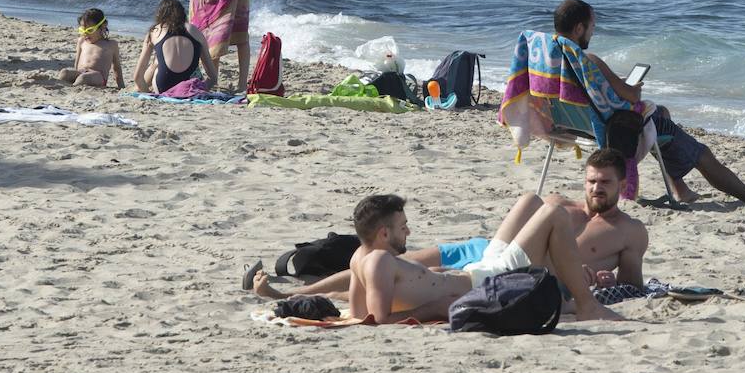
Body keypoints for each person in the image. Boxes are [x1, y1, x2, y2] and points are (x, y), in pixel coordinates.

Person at [252, 149, 649, 301]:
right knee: (384, 262)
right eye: (591, 180)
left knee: (400, 276)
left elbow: (633, 285)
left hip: (526, 269)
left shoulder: (629, 231)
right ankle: (303, 289)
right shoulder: (559, 203)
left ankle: (293, 296)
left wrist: (606, 283)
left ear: (622, 185)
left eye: (605, 183)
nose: (596, 189)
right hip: (488, 250)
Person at [554, 0, 745, 206]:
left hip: (579, 122)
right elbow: (631, 97)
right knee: (702, 153)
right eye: (592, 26)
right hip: (618, 129)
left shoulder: (554, 58)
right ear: (578, 28)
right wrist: (632, 87)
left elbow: (595, 92)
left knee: (664, 113)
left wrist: (614, 82)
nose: (593, 31)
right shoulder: (589, 60)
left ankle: (680, 189)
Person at [341, 193, 621, 324]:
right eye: (402, 228)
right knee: (554, 212)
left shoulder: (360, 256)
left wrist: (435, 275)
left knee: (529, 200)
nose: (409, 232)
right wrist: (436, 307)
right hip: (490, 282)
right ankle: (587, 306)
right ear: (383, 233)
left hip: (477, 270)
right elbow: (378, 320)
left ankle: (569, 298)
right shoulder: (379, 261)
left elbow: (355, 315)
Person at [132, 0, 218, 93]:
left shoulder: (155, 31)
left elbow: (138, 77)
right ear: (182, 14)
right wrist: (202, 88)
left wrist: (148, 93)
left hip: (163, 86)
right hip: (192, 87)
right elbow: (213, 78)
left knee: (157, 62)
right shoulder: (195, 31)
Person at [57, 8, 124, 88]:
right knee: (64, 72)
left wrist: (121, 86)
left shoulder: (111, 44)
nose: (85, 34)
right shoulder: (81, 41)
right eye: (82, 30)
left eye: (90, 30)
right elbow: (77, 62)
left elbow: (117, 67)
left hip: (98, 76)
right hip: (80, 72)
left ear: (103, 26)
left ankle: (72, 88)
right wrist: (74, 74)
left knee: (83, 78)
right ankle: (59, 87)